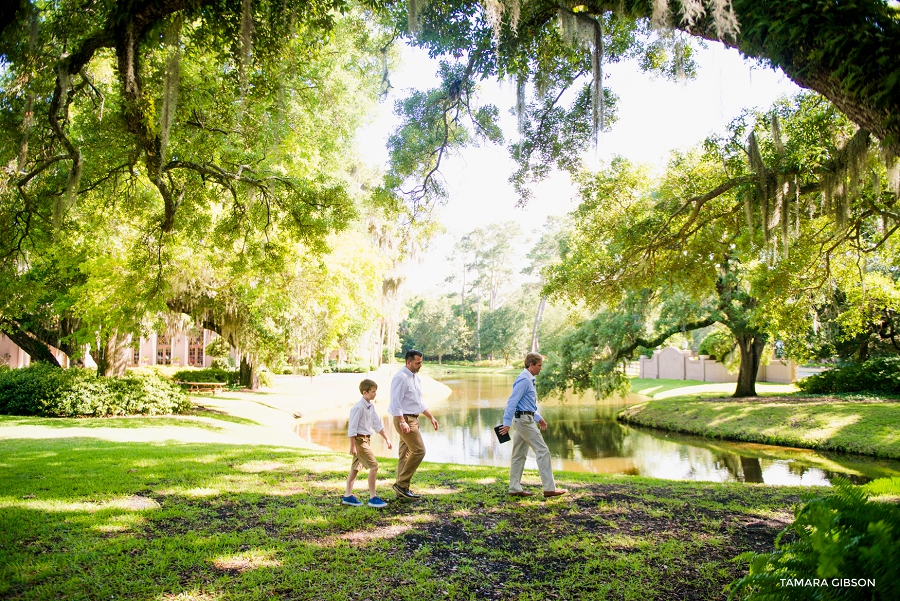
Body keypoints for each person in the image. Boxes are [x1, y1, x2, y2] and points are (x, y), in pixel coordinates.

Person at [498, 352, 568, 498]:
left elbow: (526, 405)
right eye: (539, 366)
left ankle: (514, 488)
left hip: (525, 419)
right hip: (523, 422)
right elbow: (512, 402)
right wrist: (506, 423)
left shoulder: (529, 379)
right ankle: (549, 489)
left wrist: (538, 418)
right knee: (543, 451)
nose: (540, 369)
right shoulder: (524, 380)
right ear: (531, 365)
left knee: (518, 455)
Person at [388, 349, 439, 500]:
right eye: (417, 363)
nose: (420, 365)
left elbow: (420, 402)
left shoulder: (416, 378)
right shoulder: (401, 378)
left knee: (405, 455)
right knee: (419, 451)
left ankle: (401, 492)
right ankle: (401, 484)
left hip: (413, 419)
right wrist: (402, 421)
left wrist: (431, 417)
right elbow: (395, 403)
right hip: (404, 420)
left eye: (421, 362)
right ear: (408, 362)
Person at [342, 379, 392, 508]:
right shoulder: (358, 408)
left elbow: (376, 424)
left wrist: (386, 438)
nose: (375, 394)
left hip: (366, 440)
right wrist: (352, 446)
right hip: (359, 441)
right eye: (373, 392)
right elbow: (352, 428)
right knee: (374, 466)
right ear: (365, 392)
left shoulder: (370, 406)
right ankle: (372, 498)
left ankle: (347, 496)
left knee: (355, 468)